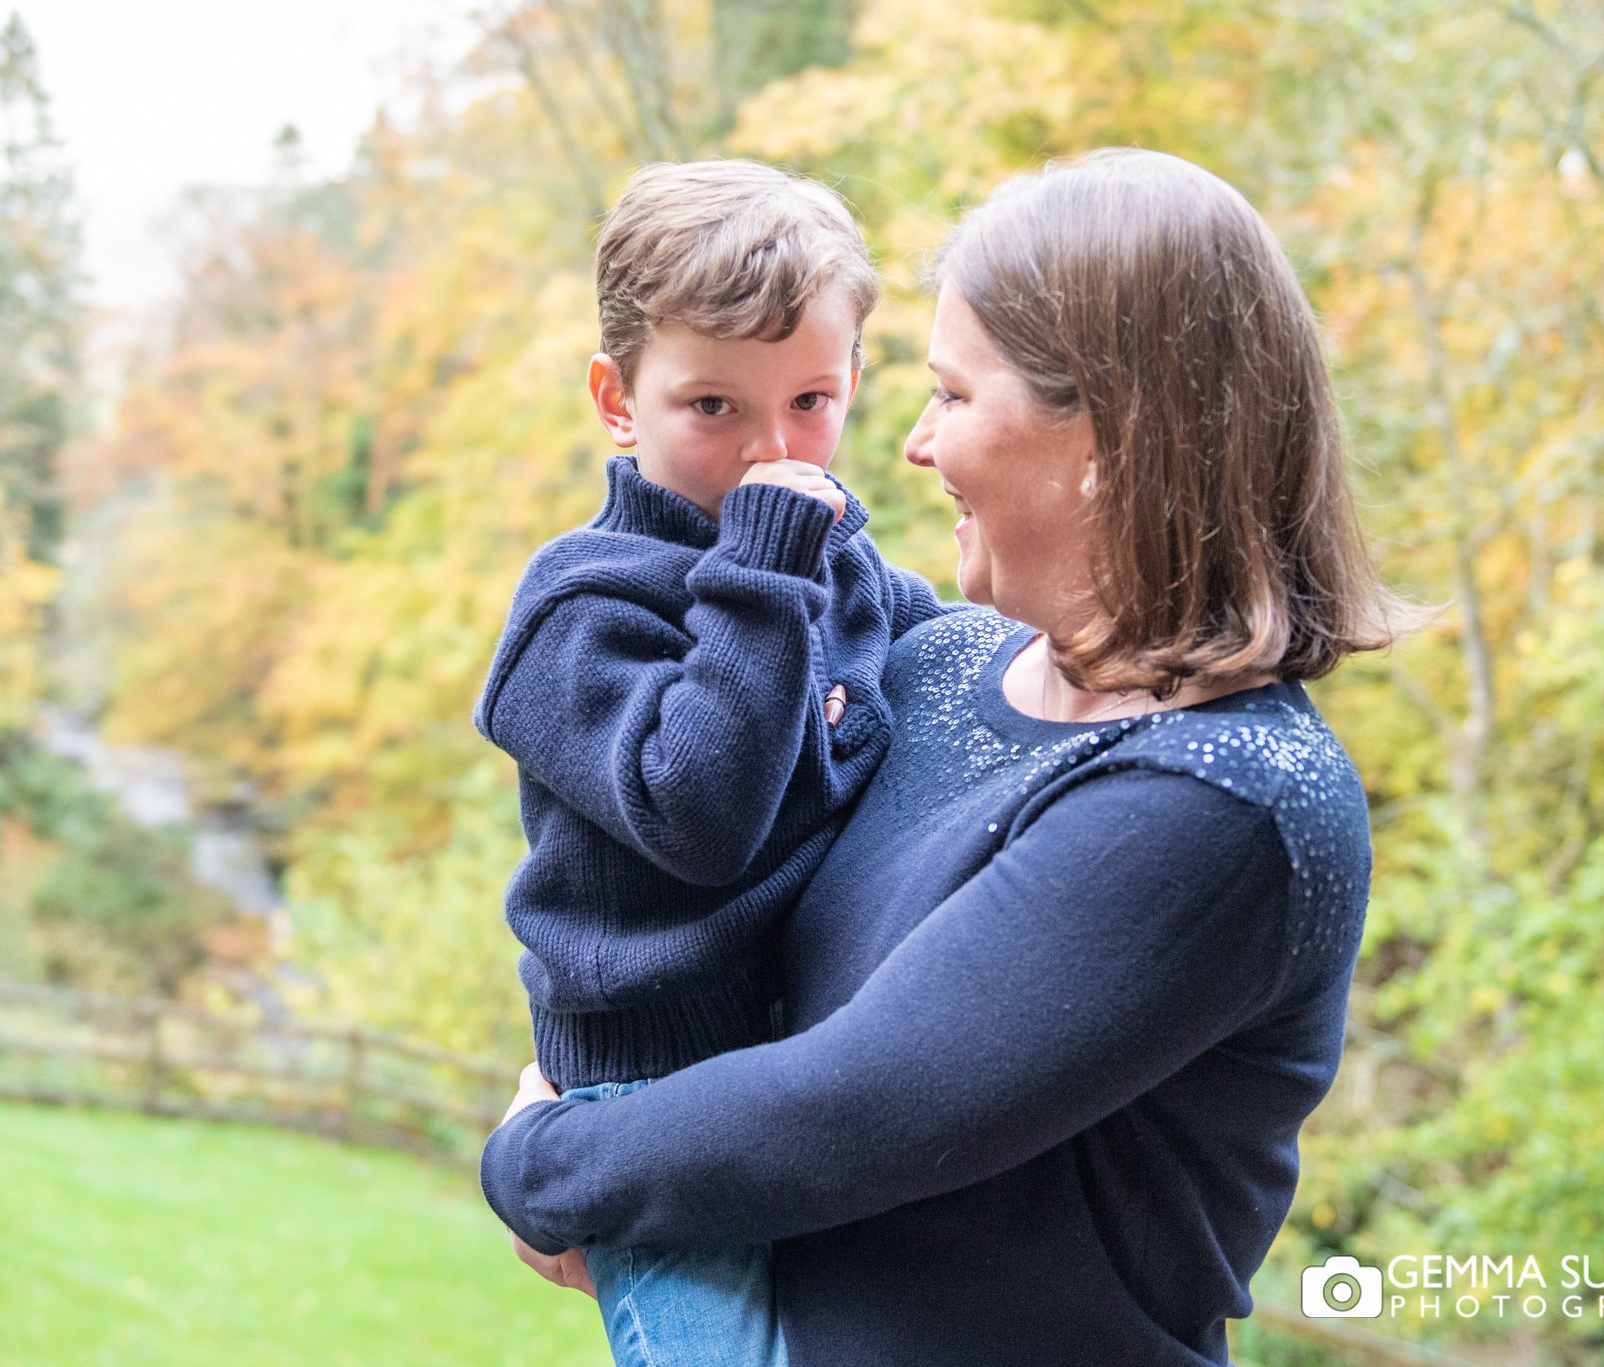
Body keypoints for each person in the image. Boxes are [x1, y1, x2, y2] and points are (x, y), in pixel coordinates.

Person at [481, 148, 1406, 1366]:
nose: (908, 446)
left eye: (952, 396)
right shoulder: (941, 665)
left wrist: (541, 1159)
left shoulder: (1222, 799)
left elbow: (851, 1110)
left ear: (1114, 437)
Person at [472, 159, 947, 1367]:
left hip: (799, 1079)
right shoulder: (580, 606)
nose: (769, 452)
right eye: (712, 407)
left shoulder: (828, 557)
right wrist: (768, 559)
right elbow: (700, 812)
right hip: (644, 1100)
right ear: (617, 399)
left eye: (809, 401)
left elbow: (948, 653)